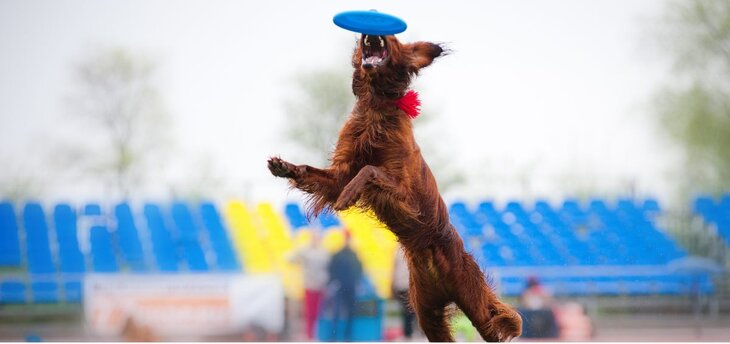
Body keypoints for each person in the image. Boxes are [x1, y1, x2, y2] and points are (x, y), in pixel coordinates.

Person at [288, 230, 331, 341]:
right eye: (313, 237)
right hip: (310, 286)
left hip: (321, 286)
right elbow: (291, 259)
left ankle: (317, 333)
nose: (315, 240)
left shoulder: (324, 252)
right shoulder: (305, 250)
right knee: (310, 312)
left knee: (319, 312)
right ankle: (309, 334)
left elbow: (329, 268)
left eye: (317, 237)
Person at [326, 229, 363, 342]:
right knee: (336, 312)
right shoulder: (338, 254)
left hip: (350, 287)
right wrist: (333, 283)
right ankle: (334, 337)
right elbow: (331, 269)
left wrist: (357, 284)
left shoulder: (354, 254)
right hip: (340, 287)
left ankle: (348, 337)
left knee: (350, 312)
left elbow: (359, 270)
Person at [392, 244, 416, 340]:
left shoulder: (398, 250)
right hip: (406, 285)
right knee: (409, 309)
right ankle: (408, 332)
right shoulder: (411, 249)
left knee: (408, 309)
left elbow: (394, 268)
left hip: (403, 284)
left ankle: (408, 332)